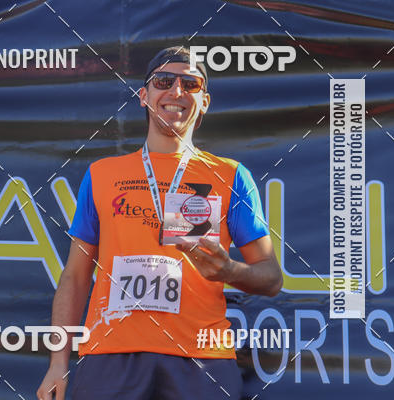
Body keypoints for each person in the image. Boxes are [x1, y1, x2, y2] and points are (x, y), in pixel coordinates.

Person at [36, 46, 282, 400]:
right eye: (164, 81)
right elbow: (75, 277)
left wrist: (229, 270)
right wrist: (58, 364)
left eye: (191, 83)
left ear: (205, 101)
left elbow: (271, 278)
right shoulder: (102, 174)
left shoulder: (231, 176)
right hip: (110, 356)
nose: (176, 91)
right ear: (144, 96)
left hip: (201, 359)